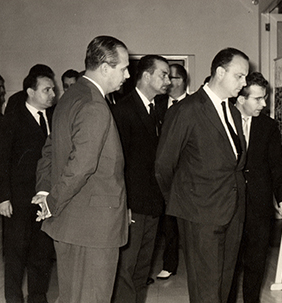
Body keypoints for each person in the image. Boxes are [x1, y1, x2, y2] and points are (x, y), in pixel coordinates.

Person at [31, 35, 130, 303]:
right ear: (106, 68)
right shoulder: (94, 105)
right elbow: (82, 165)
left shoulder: (71, 96)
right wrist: (51, 201)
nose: (127, 74)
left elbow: (50, 149)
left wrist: (44, 191)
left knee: (72, 297)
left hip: (69, 225)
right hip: (93, 229)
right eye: (123, 68)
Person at [155, 47, 249, 303]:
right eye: (239, 76)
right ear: (220, 73)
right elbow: (164, 165)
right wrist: (182, 200)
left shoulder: (233, 111)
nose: (244, 83)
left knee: (224, 286)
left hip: (232, 210)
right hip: (199, 213)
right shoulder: (187, 110)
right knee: (206, 290)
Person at [0, 68, 56, 303]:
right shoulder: (12, 120)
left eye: (53, 89)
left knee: (42, 253)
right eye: (46, 90)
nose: (52, 94)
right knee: (16, 255)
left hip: (44, 199)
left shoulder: (55, 118)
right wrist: (3, 198)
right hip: (18, 200)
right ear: (30, 92)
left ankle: (38, 298)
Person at [111, 55, 171, 303]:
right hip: (132, 206)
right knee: (126, 269)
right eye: (163, 74)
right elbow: (117, 165)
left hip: (152, 204)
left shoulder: (156, 108)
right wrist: (124, 206)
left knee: (141, 270)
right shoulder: (123, 111)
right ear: (146, 76)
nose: (168, 80)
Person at [228, 72, 282, 303]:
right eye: (258, 99)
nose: (264, 104)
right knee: (230, 263)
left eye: (264, 98)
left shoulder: (268, 126)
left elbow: (276, 164)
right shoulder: (224, 121)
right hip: (229, 205)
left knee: (256, 261)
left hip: (259, 204)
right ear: (241, 99)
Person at [153, 63, 189, 280]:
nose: (169, 82)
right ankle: (169, 263)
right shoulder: (157, 104)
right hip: (162, 171)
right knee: (166, 222)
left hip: (184, 173)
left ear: (183, 80)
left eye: (173, 78)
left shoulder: (193, 105)